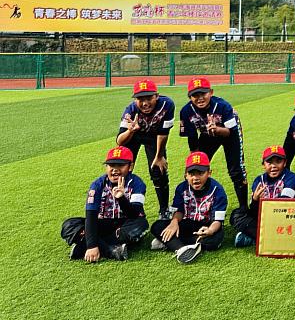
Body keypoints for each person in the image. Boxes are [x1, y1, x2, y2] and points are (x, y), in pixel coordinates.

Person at [61, 146, 149, 262]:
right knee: (69, 225)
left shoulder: (137, 183)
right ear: (106, 167)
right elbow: (91, 216)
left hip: (125, 223)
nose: (115, 169)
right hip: (103, 223)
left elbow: (134, 214)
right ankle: (111, 250)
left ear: (130, 167)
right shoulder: (97, 185)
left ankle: (83, 245)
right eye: (111, 165)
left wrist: (121, 198)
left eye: (120, 165)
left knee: (140, 225)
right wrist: (92, 246)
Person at [178, 76, 249, 210]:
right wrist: (194, 155)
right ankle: (194, 205)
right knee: (196, 167)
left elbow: (230, 132)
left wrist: (216, 129)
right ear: (189, 97)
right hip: (207, 135)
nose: (200, 98)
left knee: (236, 170)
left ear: (211, 92)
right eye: (195, 95)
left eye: (203, 94)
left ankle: (244, 207)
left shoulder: (223, 106)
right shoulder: (186, 111)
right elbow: (192, 137)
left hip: (228, 133)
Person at [150, 151, 227, 264]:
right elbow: (179, 210)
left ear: (209, 173)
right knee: (157, 226)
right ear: (186, 175)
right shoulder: (181, 188)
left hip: (207, 226)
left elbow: (218, 221)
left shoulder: (218, 191)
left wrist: (210, 230)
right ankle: (183, 249)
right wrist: (174, 222)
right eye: (191, 174)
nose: (195, 178)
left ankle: (171, 243)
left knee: (214, 241)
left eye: (200, 173)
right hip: (188, 223)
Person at [116, 79, 174, 218]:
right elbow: (120, 141)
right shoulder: (130, 111)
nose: (145, 103)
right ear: (135, 100)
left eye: (149, 98)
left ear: (157, 96)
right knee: (122, 171)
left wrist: (159, 156)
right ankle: (120, 209)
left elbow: (163, 133)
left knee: (158, 170)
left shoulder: (167, 105)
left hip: (154, 136)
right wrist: (130, 131)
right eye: (140, 99)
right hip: (134, 136)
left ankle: (164, 210)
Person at [231, 145, 295, 248]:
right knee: (236, 215)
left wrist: (263, 202)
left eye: (278, 161)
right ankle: (267, 237)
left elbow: (283, 204)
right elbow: (254, 211)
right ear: (263, 164)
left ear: (285, 163)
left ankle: (256, 237)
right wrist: (255, 200)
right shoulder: (258, 180)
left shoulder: (291, 177)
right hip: (264, 219)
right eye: (269, 162)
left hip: (285, 219)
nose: (273, 166)